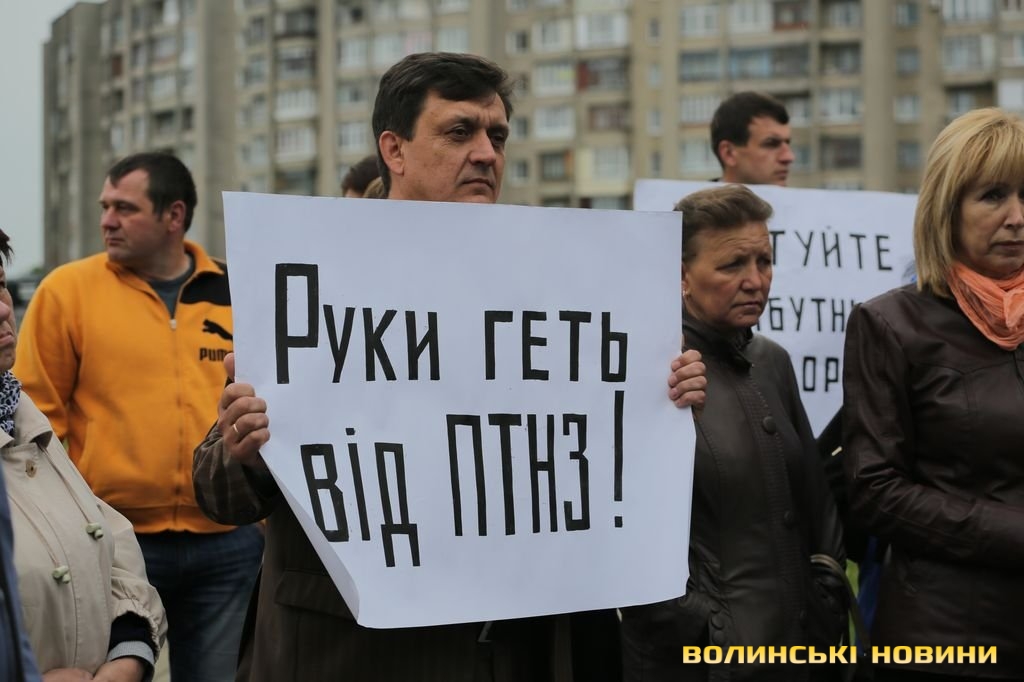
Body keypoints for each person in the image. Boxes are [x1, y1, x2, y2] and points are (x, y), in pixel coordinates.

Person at [193, 52, 707, 681]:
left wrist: (660, 396)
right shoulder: (316, 279)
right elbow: (218, 495)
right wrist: (245, 449)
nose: (487, 153)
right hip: (354, 654)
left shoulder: (558, 290)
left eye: (498, 136)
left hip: (516, 651)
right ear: (394, 150)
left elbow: (587, 460)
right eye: (460, 132)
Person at [13, 153, 263, 682]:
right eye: (105, 206)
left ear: (174, 215)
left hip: (228, 540)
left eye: (124, 208)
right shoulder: (66, 291)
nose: (107, 220)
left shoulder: (241, 289)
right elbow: (34, 421)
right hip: (110, 544)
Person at [621, 184, 846, 682]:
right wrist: (710, 628)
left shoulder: (772, 362)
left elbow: (816, 500)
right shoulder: (645, 367)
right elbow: (623, 534)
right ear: (681, 275)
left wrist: (826, 594)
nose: (756, 281)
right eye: (732, 265)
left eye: (764, 261)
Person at [842, 107, 1024, 681]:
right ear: (947, 209)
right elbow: (874, 490)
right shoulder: (891, 325)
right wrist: (1012, 531)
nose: (1017, 217)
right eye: (993, 196)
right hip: (947, 640)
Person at [0, 229, 166, 681]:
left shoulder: (20, 417)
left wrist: (130, 652)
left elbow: (110, 545)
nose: (4, 309)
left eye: (0, 285)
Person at [710, 91, 794, 186]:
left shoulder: (800, 196)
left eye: (787, 143)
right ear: (729, 153)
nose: (788, 157)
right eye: (771, 144)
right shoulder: (697, 196)